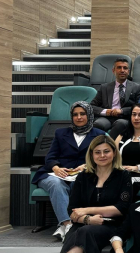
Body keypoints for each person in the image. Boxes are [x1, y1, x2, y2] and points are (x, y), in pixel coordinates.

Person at [32, 101, 106, 241]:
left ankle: (64, 228)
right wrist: (56, 168)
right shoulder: (61, 133)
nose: (79, 117)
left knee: (77, 184)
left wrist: (87, 165)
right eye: (75, 114)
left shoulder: (99, 135)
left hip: (83, 174)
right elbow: (50, 157)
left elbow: (104, 158)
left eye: (82, 114)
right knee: (56, 184)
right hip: (56, 173)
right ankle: (68, 224)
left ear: (89, 115)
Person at [91, 57, 140, 138]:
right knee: (98, 124)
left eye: (125, 68)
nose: (122, 70)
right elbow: (92, 106)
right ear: (113, 70)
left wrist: (122, 111)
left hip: (124, 118)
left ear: (128, 71)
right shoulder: (104, 87)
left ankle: (108, 143)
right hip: (106, 117)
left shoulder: (136, 87)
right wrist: (106, 111)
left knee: (120, 124)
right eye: (119, 67)